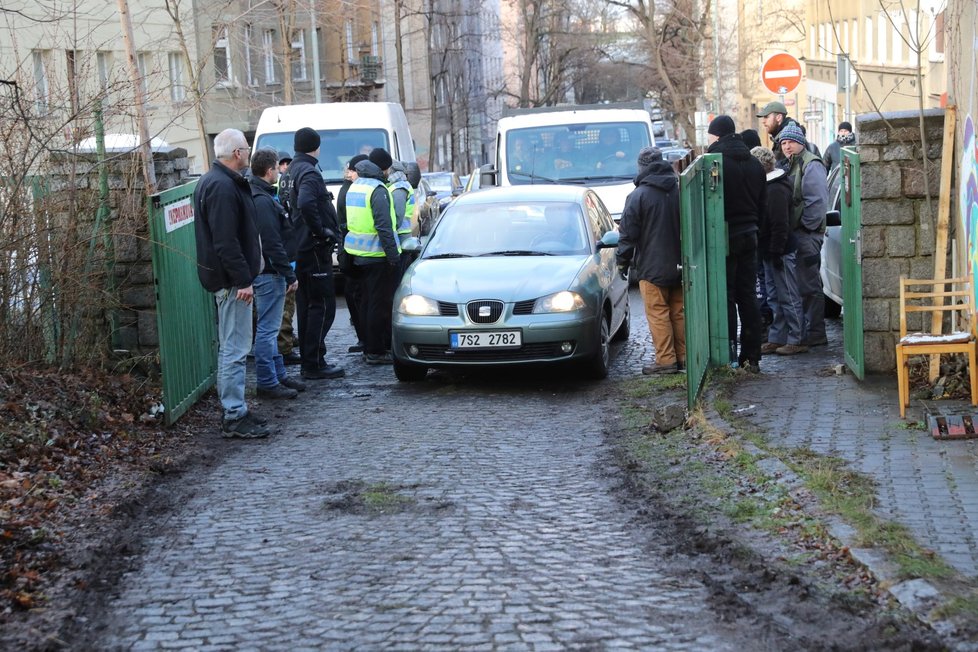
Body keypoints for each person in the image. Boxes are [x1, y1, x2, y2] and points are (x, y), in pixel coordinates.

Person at [192, 129, 269, 438]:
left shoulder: (216, 181)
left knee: (233, 347)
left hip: (228, 280)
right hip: (232, 283)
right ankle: (234, 414)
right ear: (238, 153)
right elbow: (226, 242)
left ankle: (236, 410)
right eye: (247, 149)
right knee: (235, 349)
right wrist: (243, 280)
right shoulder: (223, 187)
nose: (249, 154)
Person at [617, 146, 685, 375]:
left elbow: (627, 234)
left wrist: (622, 262)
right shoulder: (680, 188)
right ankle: (683, 357)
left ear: (641, 167)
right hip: (680, 262)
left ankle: (666, 360)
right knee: (678, 311)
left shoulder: (638, 196)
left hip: (651, 265)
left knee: (658, 313)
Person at [706, 115, 767, 373]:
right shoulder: (755, 164)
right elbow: (762, 205)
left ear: (717, 136)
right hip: (751, 234)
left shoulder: (715, 164)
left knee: (727, 296)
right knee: (748, 296)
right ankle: (751, 356)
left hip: (725, 237)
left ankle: (729, 354)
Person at [287, 127, 345, 380]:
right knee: (322, 306)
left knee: (307, 305)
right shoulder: (309, 172)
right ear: (316, 147)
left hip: (299, 246)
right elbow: (306, 204)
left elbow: (287, 206)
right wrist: (321, 231)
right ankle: (313, 363)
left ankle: (312, 360)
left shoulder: (289, 172)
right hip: (313, 248)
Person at [248, 148, 306, 398]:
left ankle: (278, 376)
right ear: (270, 170)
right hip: (269, 273)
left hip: (270, 271)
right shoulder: (261, 200)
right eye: (275, 169)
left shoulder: (259, 195)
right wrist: (288, 274)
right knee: (267, 331)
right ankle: (268, 382)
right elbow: (271, 242)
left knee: (269, 331)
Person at [345, 147, 402, 365]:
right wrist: (393, 256)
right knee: (378, 305)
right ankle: (376, 351)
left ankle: (369, 346)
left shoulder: (356, 186)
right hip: (377, 255)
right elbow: (383, 226)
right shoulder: (377, 190)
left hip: (358, 255)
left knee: (367, 303)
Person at [751, 146, 806, 356]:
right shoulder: (771, 186)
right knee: (775, 296)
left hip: (780, 250)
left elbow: (780, 225)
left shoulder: (774, 189)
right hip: (772, 250)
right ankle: (778, 336)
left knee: (788, 295)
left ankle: (797, 338)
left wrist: (775, 251)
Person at [779, 123, 830, 348]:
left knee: (809, 285)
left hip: (807, 235)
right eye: (783, 143)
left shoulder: (811, 165)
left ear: (800, 142)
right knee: (802, 284)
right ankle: (811, 331)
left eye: (790, 142)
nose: (787, 146)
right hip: (799, 233)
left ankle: (817, 332)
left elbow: (817, 202)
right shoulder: (792, 164)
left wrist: (805, 228)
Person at [336, 153, 369, 353]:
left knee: (355, 295)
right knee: (358, 296)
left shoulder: (348, 189)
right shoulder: (352, 191)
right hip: (354, 253)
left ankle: (364, 338)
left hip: (349, 252)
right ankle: (365, 338)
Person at [274, 151, 300, 365]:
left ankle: (287, 340)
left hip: (287, 260)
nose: (284, 168)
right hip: (283, 264)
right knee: (285, 308)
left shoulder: (280, 192)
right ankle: (284, 349)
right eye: (280, 165)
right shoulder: (275, 196)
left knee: (287, 308)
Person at [756, 101, 806, 169]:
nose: (763, 121)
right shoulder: (778, 138)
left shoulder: (788, 138)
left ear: (779, 117)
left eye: (766, 117)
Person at [386, 160, 415, 275]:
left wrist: (388, 232)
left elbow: (397, 215)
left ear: (391, 171)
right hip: (402, 233)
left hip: (400, 235)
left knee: (400, 272)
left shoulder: (398, 188)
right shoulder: (398, 186)